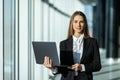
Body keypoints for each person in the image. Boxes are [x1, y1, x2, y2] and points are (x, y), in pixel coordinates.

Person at [43, 11, 102, 80]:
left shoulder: (92, 42)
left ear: (85, 24)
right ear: (72, 23)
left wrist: (82, 67)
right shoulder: (63, 44)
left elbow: (97, 65)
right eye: (76, 21)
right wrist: (52, 68)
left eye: (81, 22)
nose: (78, 25)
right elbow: (63, 68)